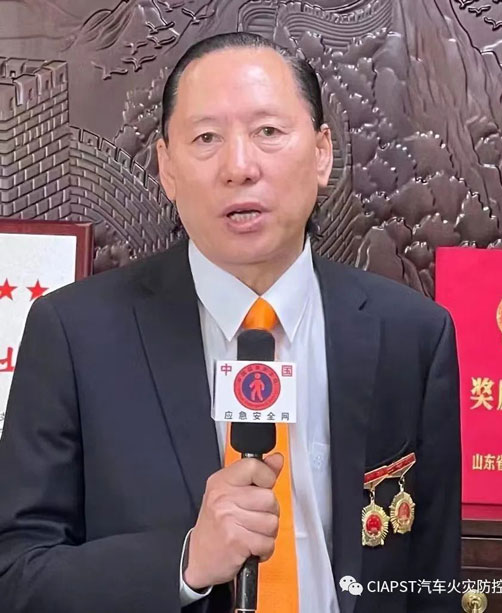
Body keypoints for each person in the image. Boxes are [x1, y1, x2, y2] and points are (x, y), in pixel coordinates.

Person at [0, 32, 461, 612]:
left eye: (268, 132)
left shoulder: (411, 336)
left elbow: (432, 579)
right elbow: (16, 575)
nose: (239, 167)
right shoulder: (74, 334)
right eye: (206, 138)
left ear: (322, 154)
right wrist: (184, 562)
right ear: (167, 168)